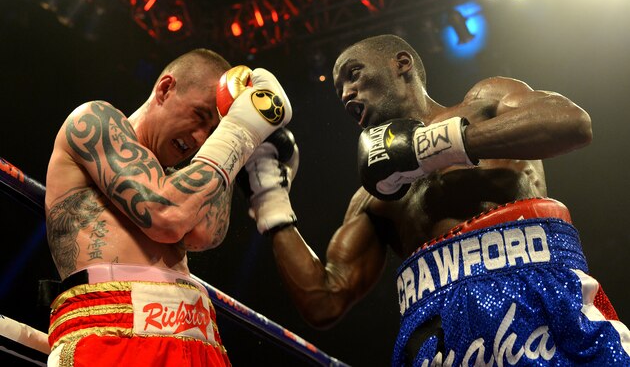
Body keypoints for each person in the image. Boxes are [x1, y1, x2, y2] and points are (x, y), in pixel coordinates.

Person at [239, 35, 630, 366]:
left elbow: (572, 123)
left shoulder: (485, 103)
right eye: (338, 87)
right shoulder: (374, 198)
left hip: (535, 297)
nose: (345, 93)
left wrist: (432, 146)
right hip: (440, 336)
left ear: (401, 64)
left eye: (353, 74)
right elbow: (325, 300)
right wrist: (270, 197)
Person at [44, 49, 292, 366]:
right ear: (165, 89)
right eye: (200, 116)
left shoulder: (174, 180)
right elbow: (165, 215)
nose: (202, 138)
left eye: (214, 132)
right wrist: (240, 130)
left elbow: (206, 233)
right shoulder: (95, 121)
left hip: (200, 340)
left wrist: (242, 142)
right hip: (112, 333)